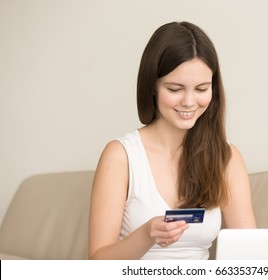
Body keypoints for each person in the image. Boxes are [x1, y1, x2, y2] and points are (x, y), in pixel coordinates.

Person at [88, 21, 256, 260]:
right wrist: (146, 235)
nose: (189, 102)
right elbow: (96, 262)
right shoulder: (120, 156)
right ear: (152, 87)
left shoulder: (226, 157)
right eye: (175, 89)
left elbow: (250, 251)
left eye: (201, 89)